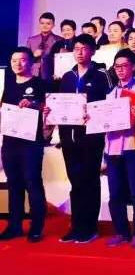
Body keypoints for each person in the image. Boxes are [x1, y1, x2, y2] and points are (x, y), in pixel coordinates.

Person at [50, 34, 112, 243]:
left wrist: (94, 114)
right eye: (76, 48)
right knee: (75, 182)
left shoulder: (101, 75)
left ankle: (90, 227)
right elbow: (59, 104)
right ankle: (76, 226)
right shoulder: (67, 76)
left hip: (91, 138)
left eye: (84, 48)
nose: (79, 52)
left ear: (93, 51)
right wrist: (50, 112)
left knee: (90, 181)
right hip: (69, 138)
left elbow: (110, 105)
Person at [0, 47, 47, 242]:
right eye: (14, 60)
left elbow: (49, 108)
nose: (17, 64)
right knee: (14, 184)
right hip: (10, 142)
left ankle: (36, 227)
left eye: (22, 60)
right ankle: (15, 226)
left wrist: (34, 105)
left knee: (32, 182)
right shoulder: (9, 84)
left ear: (31, 62)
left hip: (31, 143)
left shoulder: (40, 84)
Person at [103, 49, 135, 248]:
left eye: (124, 66)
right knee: (115, 193)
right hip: (113, 147)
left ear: (134, 67)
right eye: (117, 67)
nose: (120, 70)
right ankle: (121, 231)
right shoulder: (109, 93)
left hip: (134, 145)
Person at [26, 12, 62, 77]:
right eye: (42, 23)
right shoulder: (31, 40)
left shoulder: (59, 40)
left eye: (48, 23)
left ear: (53, 25)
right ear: (39, 24)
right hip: (34, 73)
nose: (44, 26)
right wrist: (34, 55)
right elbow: (26, 59)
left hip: (51, 73)